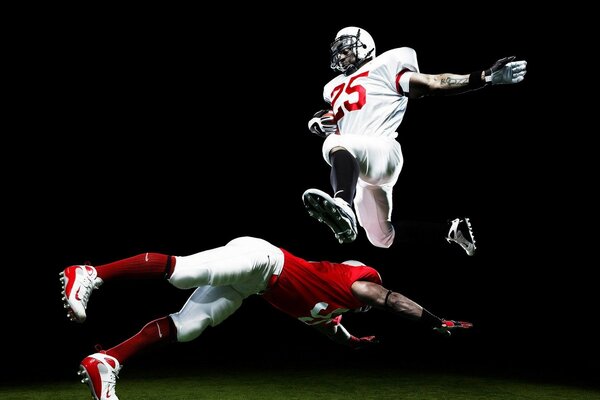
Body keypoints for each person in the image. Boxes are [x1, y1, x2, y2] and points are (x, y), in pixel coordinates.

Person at [60, 236, 473, 400]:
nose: (373, 295)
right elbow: (392, 299)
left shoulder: (332, 310)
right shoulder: (351, 283)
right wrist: (434, 321)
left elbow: (332, 329)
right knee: (184, 271)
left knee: (188, 327)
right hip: (262, 259)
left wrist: (351, 342)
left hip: (252, 284)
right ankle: (91, 273)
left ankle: (107, 360)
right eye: (373, 287)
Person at [303, 26, 527, 254]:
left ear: (363, 47)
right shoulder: (332, 87)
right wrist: (317, 121)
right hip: (360, 166)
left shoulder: (385, 66)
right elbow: (334, 113)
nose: (339, 55)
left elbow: (434, 82)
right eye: (337, 51)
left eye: (344, 49)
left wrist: (485, 76)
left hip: (382, 151)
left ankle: (342, 203)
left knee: (332, 144)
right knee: (380, 236)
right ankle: (451, 230)